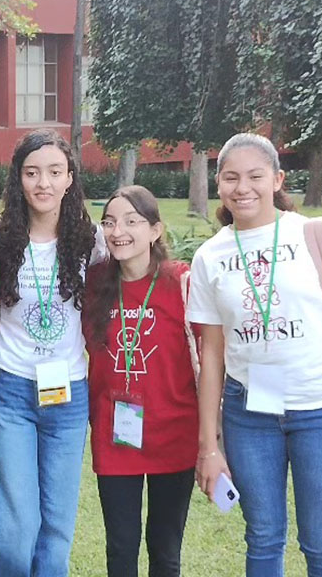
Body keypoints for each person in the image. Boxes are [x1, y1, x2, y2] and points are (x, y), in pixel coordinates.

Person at [189, 133, 322, 577]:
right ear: (219, 185)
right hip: (249, 415)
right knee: (263, 538)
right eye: (231, 177)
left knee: (321, 541)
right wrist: (209, 447)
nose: (243, 188)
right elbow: (211, 356)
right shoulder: (210, 256)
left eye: (255, 176)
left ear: (277, 179)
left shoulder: (318, 235)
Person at [0, 129, 107, 577]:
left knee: (56, 530)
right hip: (10, 392)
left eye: (54, 172)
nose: (43, 183)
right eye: (32, 173)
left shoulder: (92, 242)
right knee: (15, 528)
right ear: (19, 179)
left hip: (68, 395)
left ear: (70, 178)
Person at [82, 186, 199, 577]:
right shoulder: (94, 282)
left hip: (174, 433)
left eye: (132, 221)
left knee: (165, 551)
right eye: (111, 222)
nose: (119, 231)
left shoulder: (180, 282)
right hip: (116, 435)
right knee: (120, 549)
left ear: (155, 230)